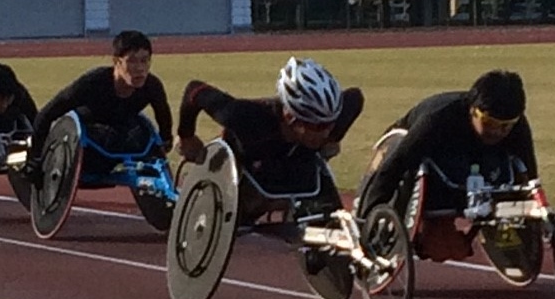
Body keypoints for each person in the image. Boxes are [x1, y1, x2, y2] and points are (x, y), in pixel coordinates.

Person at [356, 69, 535, 262]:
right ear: (473, 110)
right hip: (427, 159)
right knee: (442, 248)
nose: (498, 131)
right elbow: (393, 168)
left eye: (507, 125)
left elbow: (530, 174)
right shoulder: (437, 119)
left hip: (471, 161)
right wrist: (367, 221)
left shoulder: (517, 127)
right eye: (489, 122)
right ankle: (426, 232)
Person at [176, 56, 365, 221]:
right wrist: (187, 136)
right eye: (319, 126)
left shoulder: (334, 118)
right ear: (292, 118)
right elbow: (195, 91)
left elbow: (355, 98)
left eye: (331, 123)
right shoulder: (247, 118)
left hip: (294, 166)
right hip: (245, 176)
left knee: (334, 222)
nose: (326, 132)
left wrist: (334, 138)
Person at [26, 30, 173, 182]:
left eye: (145, 61)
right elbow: (48, 113)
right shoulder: (93, 83)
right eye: (132, 61)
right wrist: (35, 157)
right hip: (87, 137)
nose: (140, 69)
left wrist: (165, 141)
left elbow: (163, 116)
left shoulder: (152, 86)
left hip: (120, 134)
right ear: (117, 62)